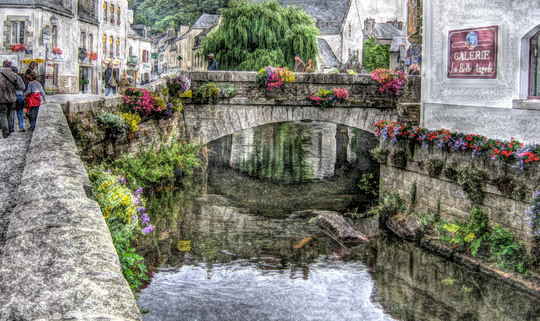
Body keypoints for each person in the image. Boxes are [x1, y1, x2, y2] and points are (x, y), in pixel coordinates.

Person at [0, 59, 22, 138]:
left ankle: (5, 132)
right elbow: (19, 87)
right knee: (10, 114)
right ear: (10, 65)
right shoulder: (14, 75)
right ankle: (10, 129)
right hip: (12, 98)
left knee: (3, 114)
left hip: (1, 98)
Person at [10, 66, 26, 132]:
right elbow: (23, 87)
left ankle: (11, 127)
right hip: (19, 96)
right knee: (20, 112)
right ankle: (21, 127)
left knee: (12, 112)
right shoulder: (19, 77)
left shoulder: (9, 78)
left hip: (12, 95)